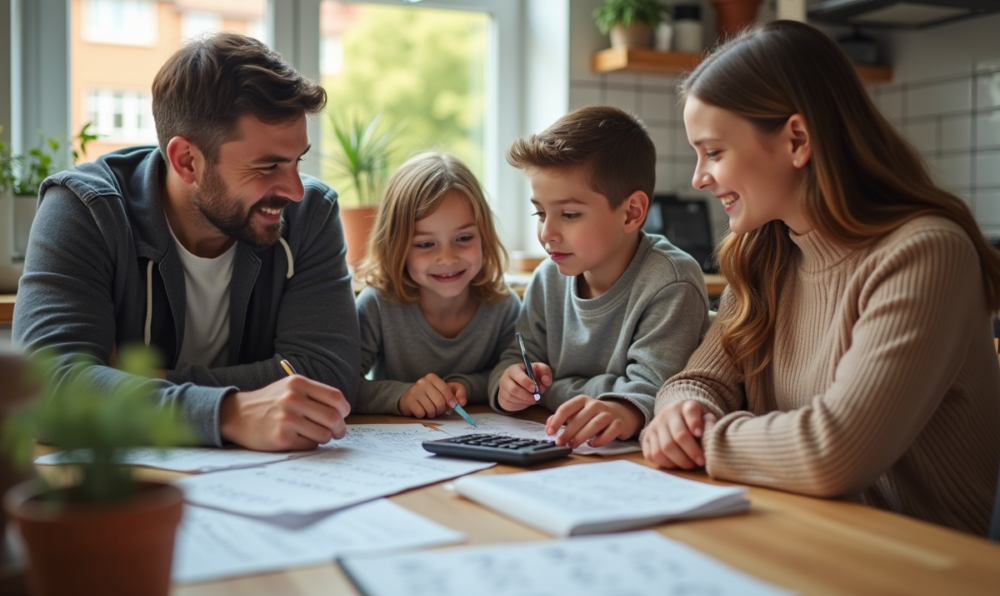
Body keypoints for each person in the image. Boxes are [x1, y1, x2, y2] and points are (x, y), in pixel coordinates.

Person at [642, 21, 1000, 535]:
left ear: (797, 139)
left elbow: (835, 453)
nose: (699, 177)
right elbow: (699, 380)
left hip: (916, 560)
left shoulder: (925, 253)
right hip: (795, 528)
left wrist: (705, 439)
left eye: (714, 152)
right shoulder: (765, 251)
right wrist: (684, 411)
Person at [13, 33, 359, 451]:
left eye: (297, 161)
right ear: (186, 160)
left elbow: (329, 377)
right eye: (268, 166)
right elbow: (46, 391)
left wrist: (140, 383)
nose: (294, 190)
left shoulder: (310, 215)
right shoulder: (86, 210)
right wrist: (228, 412)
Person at [490, 106, 710, 449]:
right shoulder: (548, 277)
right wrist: (509, 384)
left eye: (570, 214)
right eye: (540, 212)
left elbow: (653, 392)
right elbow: (517, 358)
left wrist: (560, 391)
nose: (547, 232)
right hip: (557, 438)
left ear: (631, 213)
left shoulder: (671, 281)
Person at [354, 152, 519, 416]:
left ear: (484, 236)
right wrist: (400, 396)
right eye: (425, 244)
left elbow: (503, 374)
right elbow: (342, 384)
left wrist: (466, 385)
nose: (447, 258)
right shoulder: (376, 305)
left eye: (464, 238)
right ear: (397, 248)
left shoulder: (504, 307)